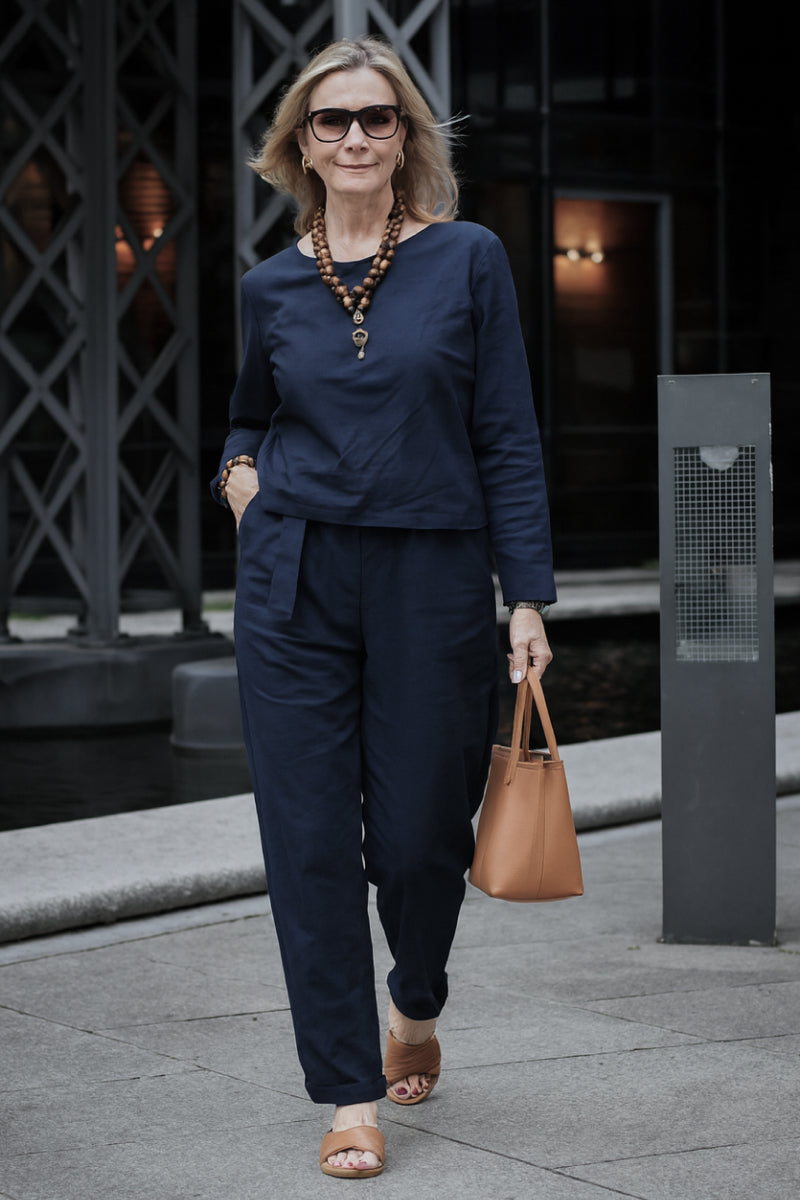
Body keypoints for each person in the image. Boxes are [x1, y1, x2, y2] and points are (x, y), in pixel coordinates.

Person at [211, 35, 555, 1179]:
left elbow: (504, 433)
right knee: (307, 844)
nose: (354, 137)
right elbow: (246, 418)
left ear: (404, 137)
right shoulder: (269, 285)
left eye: (376, 118)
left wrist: (527, 599)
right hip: (294, 578)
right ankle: (347, 1090)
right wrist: (241, 487)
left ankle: (414, 999)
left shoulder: (467, 260)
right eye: (330, 121)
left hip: (432, 581)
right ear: (299, 146)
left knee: (416, 840)